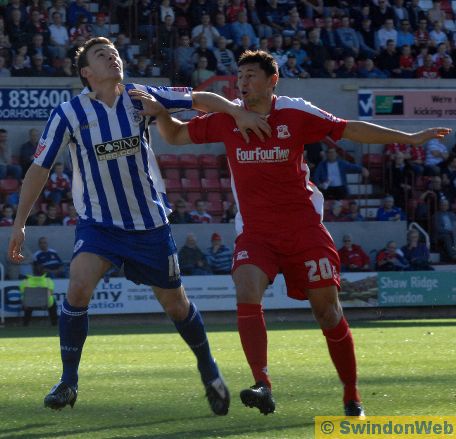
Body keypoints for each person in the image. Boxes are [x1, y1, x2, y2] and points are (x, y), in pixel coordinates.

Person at [128, 49, 451, 417]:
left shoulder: (295, 112)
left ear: (272, 80)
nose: (243, 82)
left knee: (327, 313)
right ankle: (261, 384)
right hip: (256, 232)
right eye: (240, 76)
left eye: (251, 75)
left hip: (304, 230)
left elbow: (349, 128)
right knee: (246, 288)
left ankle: (351, 395)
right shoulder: (226, 118)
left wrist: (408, 139)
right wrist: (161, 113)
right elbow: (175, 137)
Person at [8, 37, 270, 414]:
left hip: (149, 226)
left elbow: (200, 98)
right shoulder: (68, 114)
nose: (113, 56)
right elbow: (39, 169)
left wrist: (236, 112)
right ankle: (68, 381)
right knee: (78, 287)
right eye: (102, 55)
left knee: (176, 306)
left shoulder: (140, 96)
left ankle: (208, 369)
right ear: (86, 72)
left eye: (115, 51)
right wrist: (20, 223)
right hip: (99, 225)